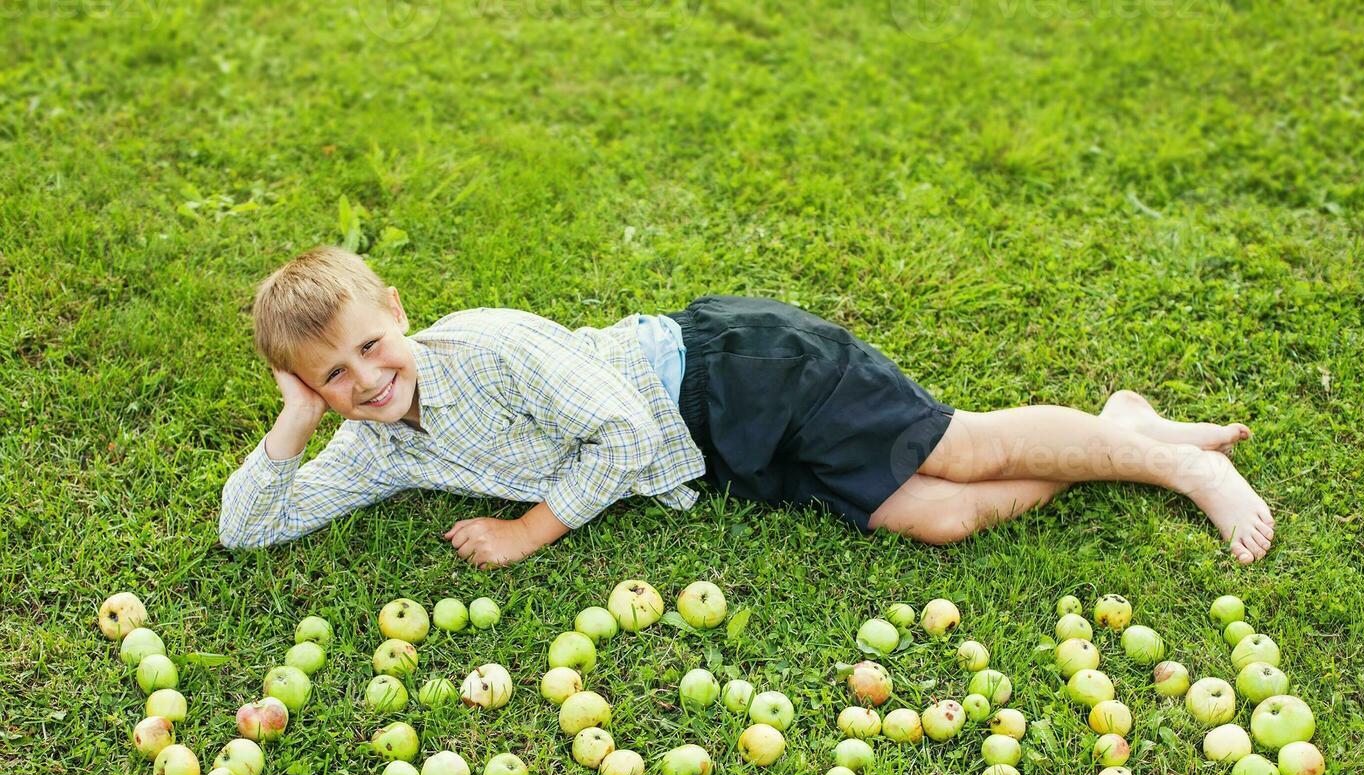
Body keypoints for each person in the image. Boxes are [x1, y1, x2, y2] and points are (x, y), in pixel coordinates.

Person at [221, 246, 1274, 566]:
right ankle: (1120, 431)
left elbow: (624, 434)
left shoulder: (487, 343)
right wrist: (294, 430)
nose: (364, 379)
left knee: (965, 449)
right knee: (943, 516)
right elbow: (248, 528)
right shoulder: (376, 445)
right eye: (332, 378)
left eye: (369, 345)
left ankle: (1179, 464)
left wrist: (527, 530)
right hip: (717, 453)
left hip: (733, 374)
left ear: (397, 313)